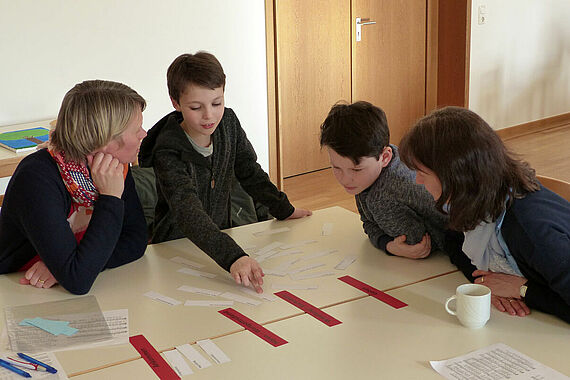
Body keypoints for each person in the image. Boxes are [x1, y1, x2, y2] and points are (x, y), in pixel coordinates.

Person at [138, 52, 311, 293]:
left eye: (217, 103)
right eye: (196, 107)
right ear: (176, 103)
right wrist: (233, 257)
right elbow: (187, 210)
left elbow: (249, 171)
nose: (209, 115)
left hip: (219, 239)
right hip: (175, 248)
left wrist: (283, 208)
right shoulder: (167, 149)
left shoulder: (228, 123)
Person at [399, 106, 570, 323]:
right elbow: (452, 240)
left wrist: (523, 290)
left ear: (456, 176)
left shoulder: (530, 230)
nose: (417, 181)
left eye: (422, 173)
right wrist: (486, 283)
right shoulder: (477, 197)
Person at [0, 80, 148, 295]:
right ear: (105, 140)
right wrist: (110, 198)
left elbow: (136, 239)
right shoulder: (36, 178)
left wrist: (70, 267)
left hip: (59, 284)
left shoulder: (115, 167)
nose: (144, 134)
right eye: (136, 130)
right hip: (17, 286)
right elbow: (78, 282)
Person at [319, 101, 448, 259]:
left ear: (384, 157)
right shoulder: (387, 156)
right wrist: (387, 243)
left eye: (356, 169)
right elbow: (369, 222)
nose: (345, 179)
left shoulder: (381, 198)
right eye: (336, 168)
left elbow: (415, 245)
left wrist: (392, 247)